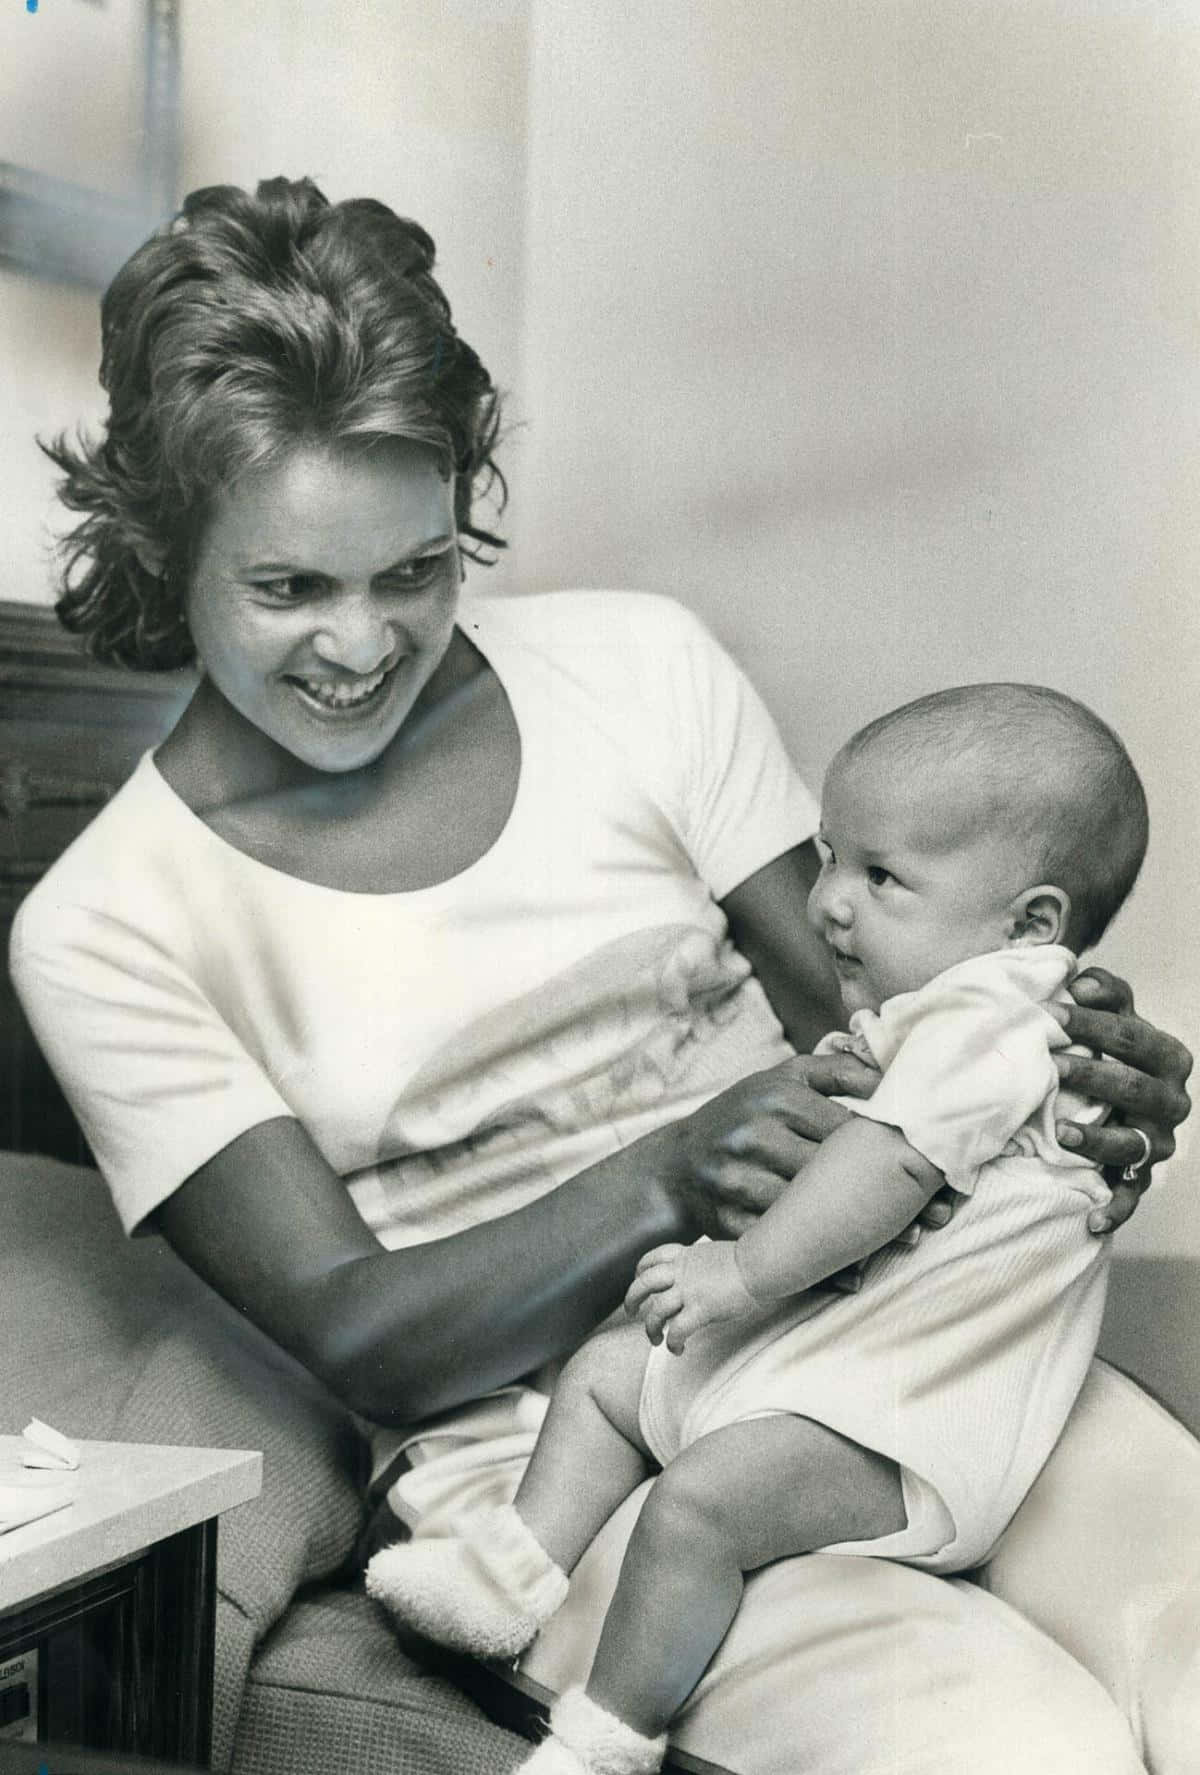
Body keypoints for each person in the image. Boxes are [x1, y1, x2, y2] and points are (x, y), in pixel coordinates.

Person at [8, 177, 1190, 1774]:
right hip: (570, 1446)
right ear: (164, 549)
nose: (362, 643)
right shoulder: (109, 921)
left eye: (414, 570)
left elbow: (882, 1012)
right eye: (289, 587)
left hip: (917, 1325)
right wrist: (671, 1170)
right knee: (1016, 1749)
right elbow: (367, 1336)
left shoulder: (639, 665)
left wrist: (1081, 1070)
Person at [366, 682, 1148, 1775]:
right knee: (608, 1368)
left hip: (902, 1417)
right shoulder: (952, 1016)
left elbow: (885, 1167)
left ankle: (606, 1738)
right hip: (830, 1362)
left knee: (695, 1507)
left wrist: (737, 1271)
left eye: (881, 876)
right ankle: (512, 1569)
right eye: (829, 853)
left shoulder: (990, 1019)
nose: (828, 901)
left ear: (1030, 926)